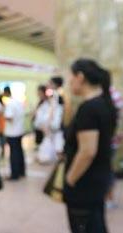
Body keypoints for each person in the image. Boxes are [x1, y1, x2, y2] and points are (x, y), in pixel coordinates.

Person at [64, 59, 117, 233]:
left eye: (70, 77)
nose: (69, 82)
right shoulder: (104, 103)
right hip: (97, 179)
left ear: (80, 77)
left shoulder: (89, 108)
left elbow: (88, 151)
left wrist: (70, 179)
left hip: (84, 184)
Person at [3, 86, 25, 180]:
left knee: (13, 154)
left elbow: (10, 117)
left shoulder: (10, 104)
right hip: (19, 131)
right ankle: (21, 171)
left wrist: (3, 116)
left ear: (5, 93)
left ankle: (14, 175)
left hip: (12, 133)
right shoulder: (18, 102)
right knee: (19, 152)